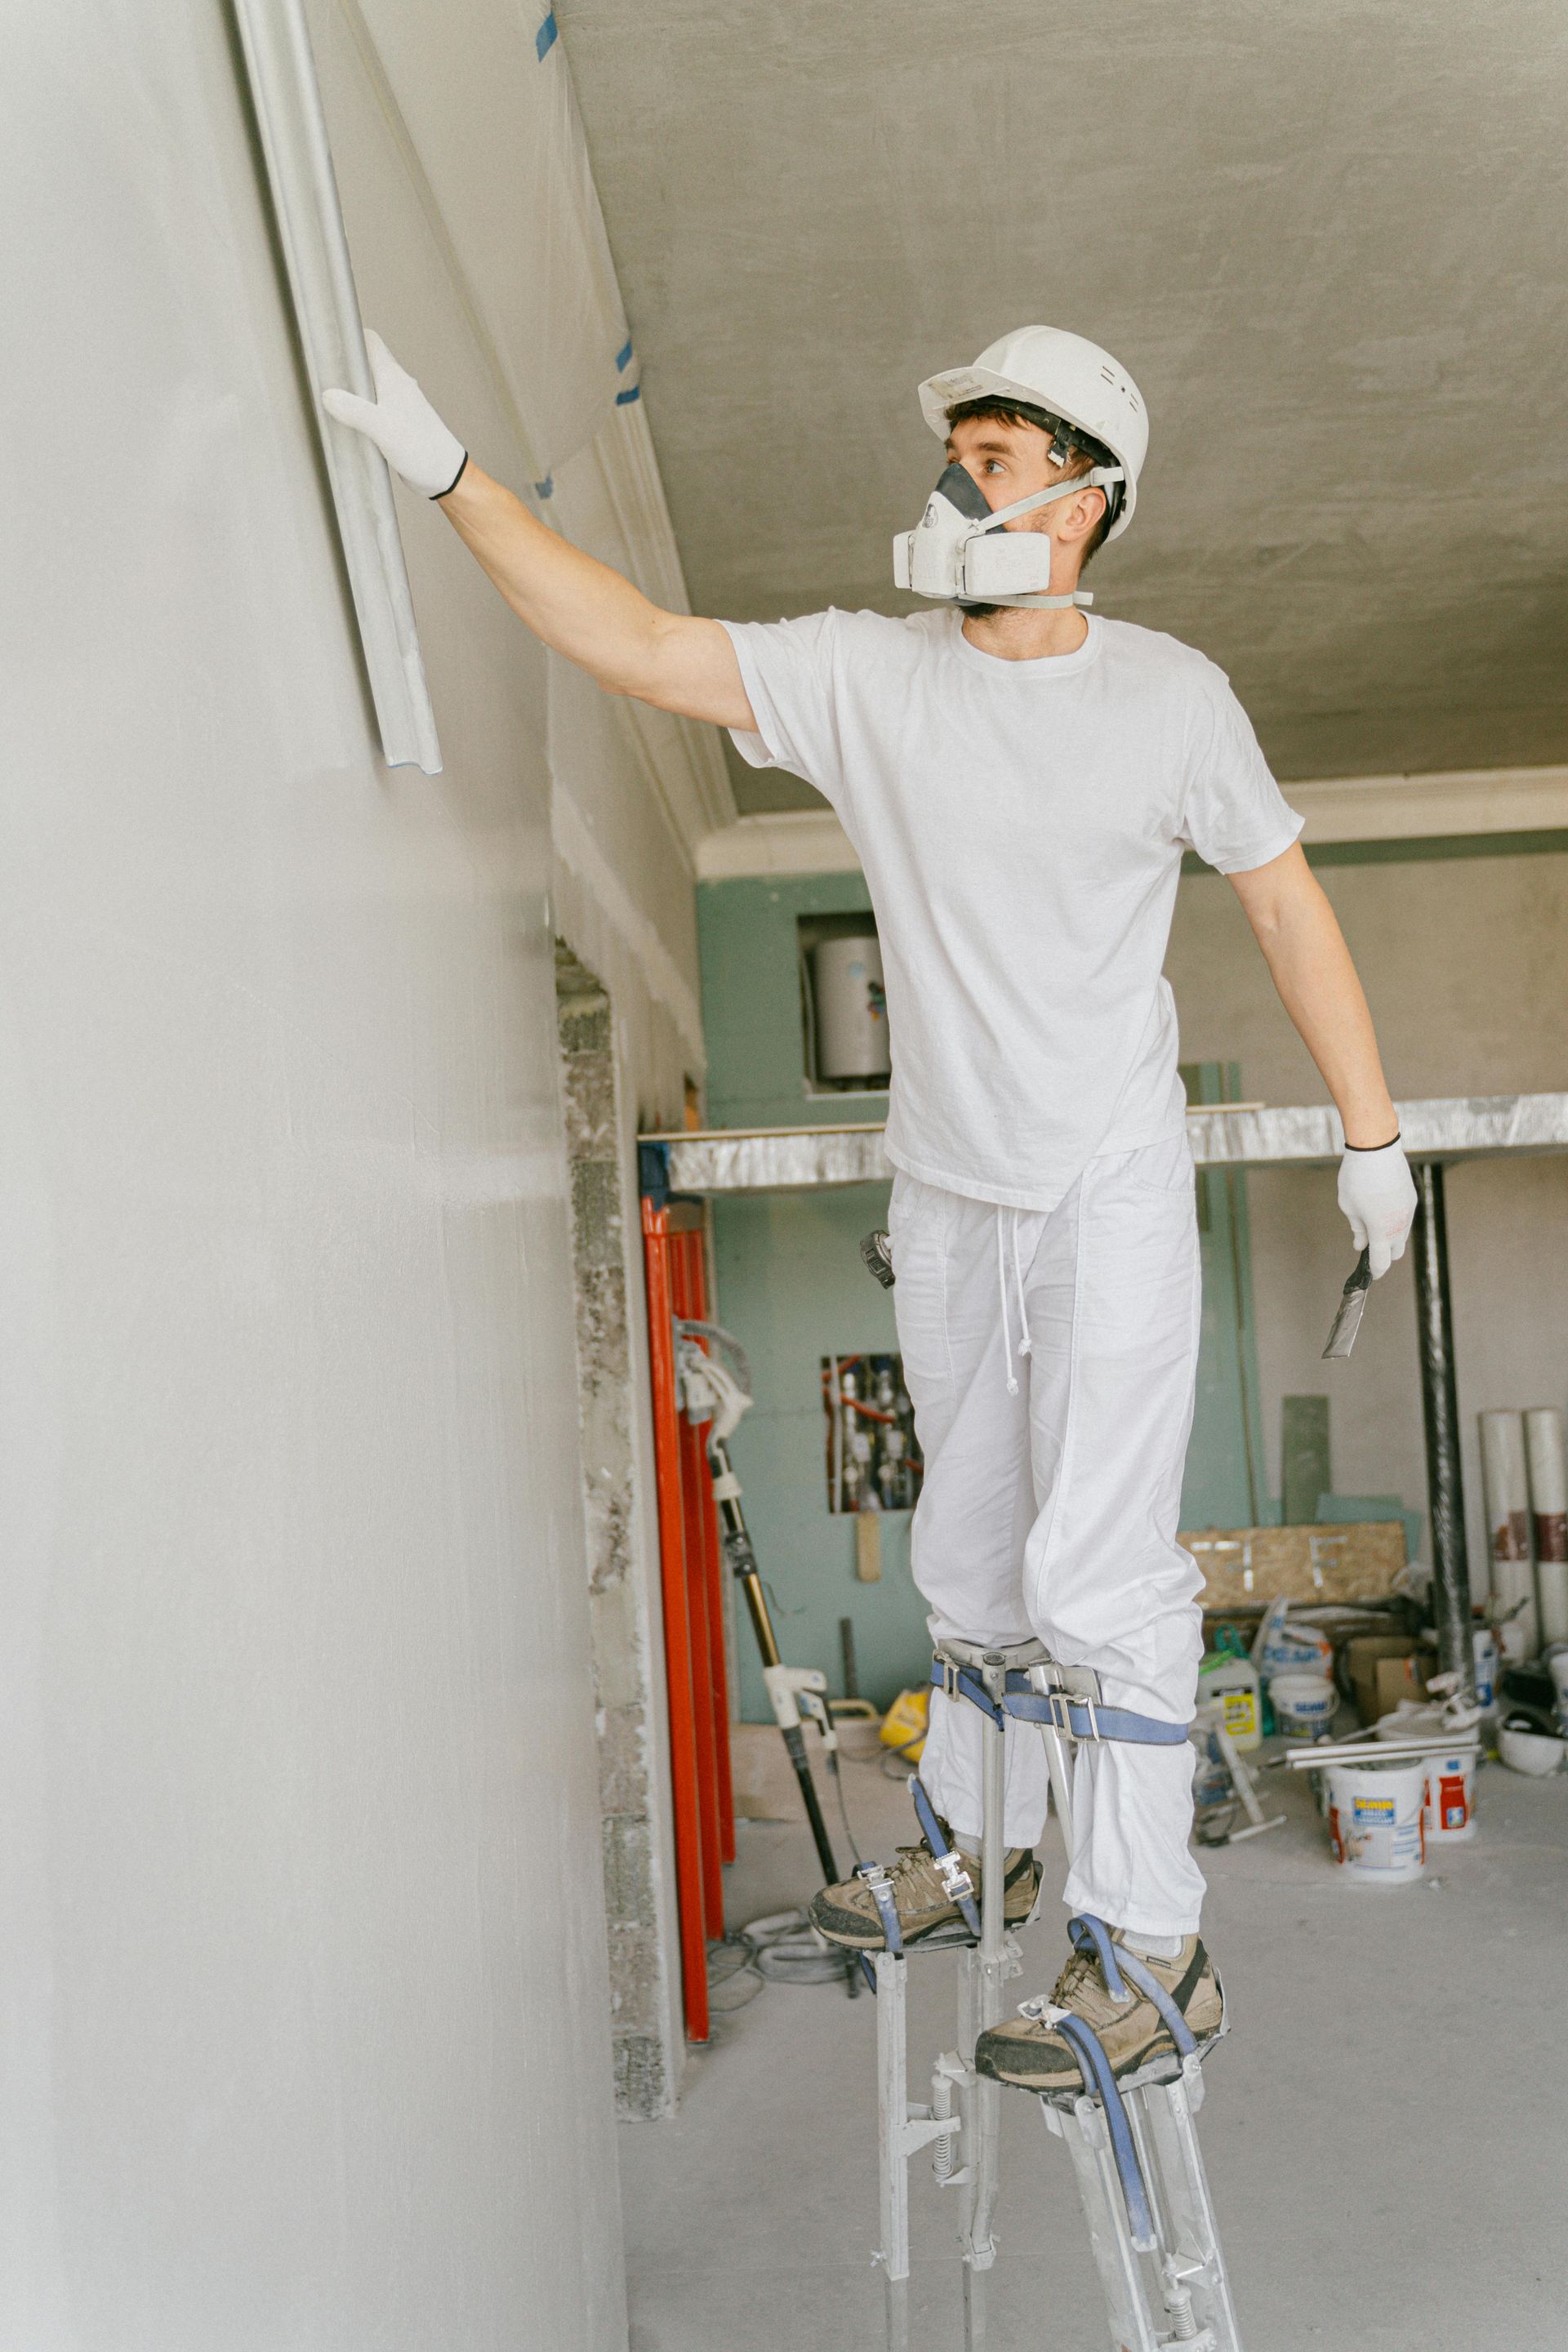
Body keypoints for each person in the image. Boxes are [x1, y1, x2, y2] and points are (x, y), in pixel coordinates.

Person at [325, 325, 1418, 2092]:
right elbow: (640, 644)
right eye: (958, 451)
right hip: (954, 1182)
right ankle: (977, 1842)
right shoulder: (870, 676)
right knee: (971, 1549)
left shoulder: (1171, 696)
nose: (949, 487)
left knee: (1095, 1568)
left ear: (1084, 498)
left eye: (989, 461)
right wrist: (454, 477)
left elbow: (1287, 907)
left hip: (1109, 1181)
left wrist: (1374, 1139)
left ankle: (1150, 1945)